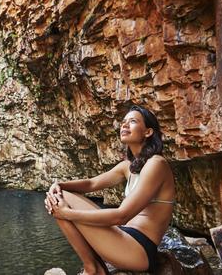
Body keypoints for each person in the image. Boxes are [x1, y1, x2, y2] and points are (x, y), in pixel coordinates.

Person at [44, 105, 175, 275]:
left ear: (148, 132)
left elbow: (122, 215)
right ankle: (93, 267)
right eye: (123, 122)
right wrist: (60, 185)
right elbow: (91, 184)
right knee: (58, 196)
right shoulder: (127, 167)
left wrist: (67, 213)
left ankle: (93, 270)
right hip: (124, 238)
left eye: (132, 121)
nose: (124, 126)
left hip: (139, 249)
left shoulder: (156, 164)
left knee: (60, 204)